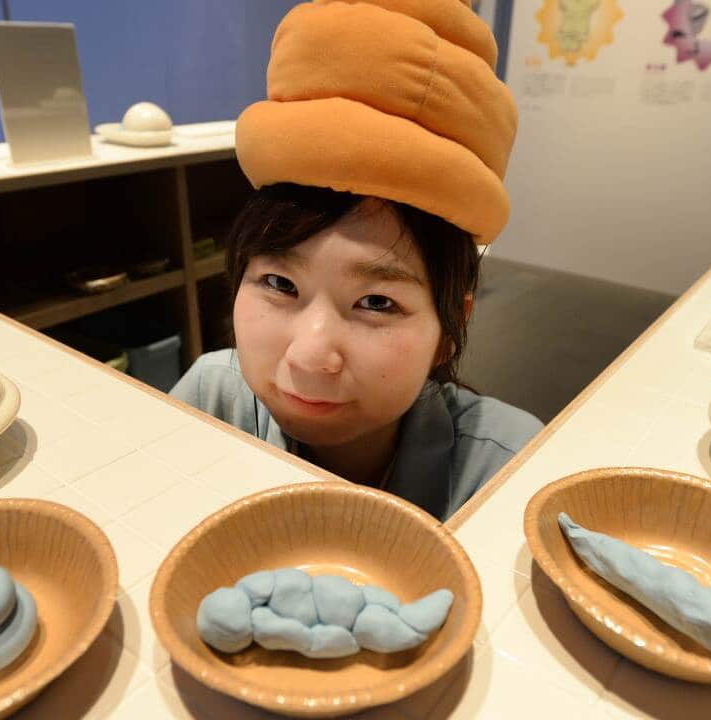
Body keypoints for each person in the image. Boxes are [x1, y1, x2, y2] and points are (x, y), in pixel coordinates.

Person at [171, 0, 542, 521]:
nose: (309, 355)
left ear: (451, 330)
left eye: (376, 301)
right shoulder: (212, 398)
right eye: (279, 283)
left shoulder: (508, 472)